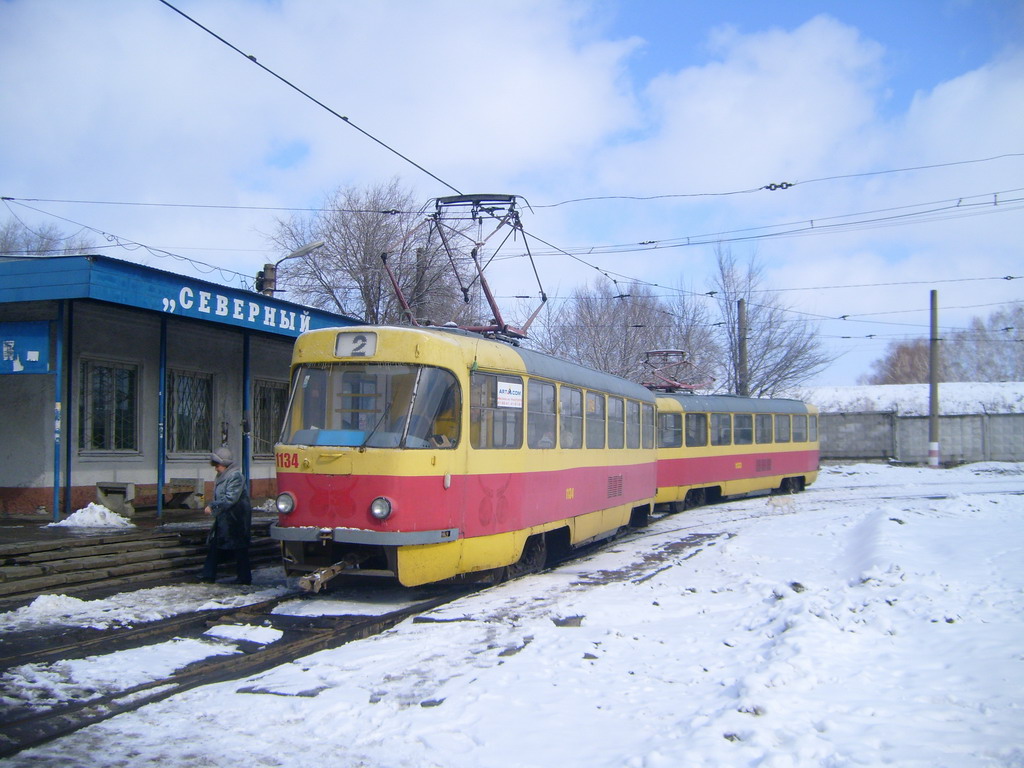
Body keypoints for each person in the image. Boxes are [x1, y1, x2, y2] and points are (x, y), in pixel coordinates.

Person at [199, 446, 252, 585]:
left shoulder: (235, 476)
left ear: (225, 464)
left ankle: (244, 578)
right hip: (225, 518)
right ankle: (208, 575)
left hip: (237, 518)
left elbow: (230, 498)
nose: (215, 468)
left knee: (240, 548)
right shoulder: (222, 476)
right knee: (215, 545)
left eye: (217, 465)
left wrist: (213, 506)